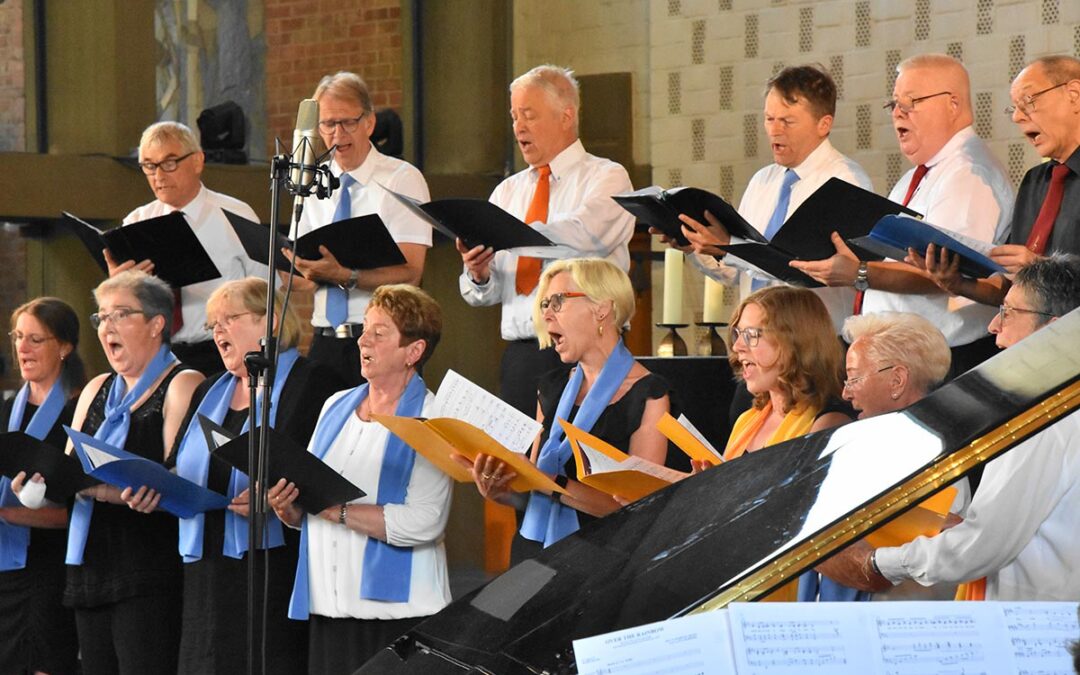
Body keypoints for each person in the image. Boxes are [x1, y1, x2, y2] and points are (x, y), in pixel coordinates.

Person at [819, 253, 1080, 601]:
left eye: (1008, 312)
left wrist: (878, 563)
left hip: (1039, 626)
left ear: (1054, 327)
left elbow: (984, 543)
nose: (993, 327)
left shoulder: (1048, 415)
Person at [122, 278, 344, 674]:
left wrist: (275, 494)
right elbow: (179, 464)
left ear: (271, 321)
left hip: (273, 565)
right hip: (205, 565)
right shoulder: (208, 391)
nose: (218, 331)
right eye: (212, 324)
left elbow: (325, 475)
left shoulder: (314, 383)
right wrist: (156, 488)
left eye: (229, 319)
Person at [16, 270, 203, 674]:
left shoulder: (182, 382)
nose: (107, 327)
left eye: (121, 315)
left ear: (157, 324)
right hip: (89, 564)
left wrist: (97, 490)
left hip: (147, 564)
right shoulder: (97, 386)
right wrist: (32, 483)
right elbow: (67, 471)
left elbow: (177, 481)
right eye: (102, 317)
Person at [791, 54, 1015, 379]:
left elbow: (943, 272)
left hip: (942, 364)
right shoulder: (921, 174)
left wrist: (859, 273)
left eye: (911, 102)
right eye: (894, 103)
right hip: (906, 360)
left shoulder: (968, 174)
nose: (898, 112)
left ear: (952, 104)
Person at [272, 284, 451, 674]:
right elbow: (314, 501)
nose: (362, 340)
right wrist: (292, 509)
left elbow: (425, 520)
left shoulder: (433, 418)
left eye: (379, 332)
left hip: (396, 613)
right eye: (364, 329)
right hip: (329, 604)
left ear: (414, 351)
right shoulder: (336, 404)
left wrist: (334, 510)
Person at [463, 258, 673, 563]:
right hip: (533, 551)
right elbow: (534, 492)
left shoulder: (650, 394)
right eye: (545, 303)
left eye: (558, 301)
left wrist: (552, 482)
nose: (545, 314)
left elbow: (635, 508)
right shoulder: (549, 387)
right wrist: (499, 491)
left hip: (601, 564)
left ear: (601, 308)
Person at [458, 65, 635, 415]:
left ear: (566, 116)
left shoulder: (608, 177)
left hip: (588, 352)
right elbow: (489, 294)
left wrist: (515, 236)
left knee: (581, 464)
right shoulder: (507, 192)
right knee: (521, 464)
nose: (518, 127)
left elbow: (587, 236)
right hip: (523, 356)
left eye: (529, 115)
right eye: (513, 117)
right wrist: (479, 273)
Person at [675, 64, 873, 333]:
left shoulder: (846, 182)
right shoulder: (763, 181)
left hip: (813, 342)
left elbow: (802, 270)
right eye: (769, 119)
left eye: (787, 121)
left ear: (823, 124)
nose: (774, 130)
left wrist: (729, 247)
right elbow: (739, 273)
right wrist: (696, 245)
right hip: (756, 338)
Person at [286, 71, 432, 387]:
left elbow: (411, 274)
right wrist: (279, 271)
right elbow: (308, 280)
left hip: (384, 342)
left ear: (369, 122)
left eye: (347, 122)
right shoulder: (312, 182)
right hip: (324, 340)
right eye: (328, 124)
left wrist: (346, 276)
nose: (337, 134)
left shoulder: (401, 179)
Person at [798, 311, 953, 603]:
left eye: (854, 378)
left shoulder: (937, 457)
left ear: (897, 380)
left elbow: (874, 570)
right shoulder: (867, 446)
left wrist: (797, 526)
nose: (845, 393)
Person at [913, 55, 1080, 307]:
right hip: (1028, 338)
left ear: (1074, 94)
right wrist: (958, 283)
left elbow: (1035, 269)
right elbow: (1011, 288)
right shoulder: (1035, 181)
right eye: (1014, 107)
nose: (1017, 117)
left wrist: (1042, 268)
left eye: (1028, 101)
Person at [112, 121, 269, 376]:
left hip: (222, 353)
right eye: (149, 166)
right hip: (158, 355)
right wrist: (118, 286)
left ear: (197, 161)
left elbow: (266, 294)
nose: (158, 175)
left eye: (170, 162)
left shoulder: (235, 215)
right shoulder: (136, 222)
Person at [0, 299, 84, 675]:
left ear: (64, 347)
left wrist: (6, 513)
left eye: (36, 338)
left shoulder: (79, 411)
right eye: (18, 337)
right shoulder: (6, 411)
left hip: (49, 570)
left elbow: (81, 511)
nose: (23, 347)